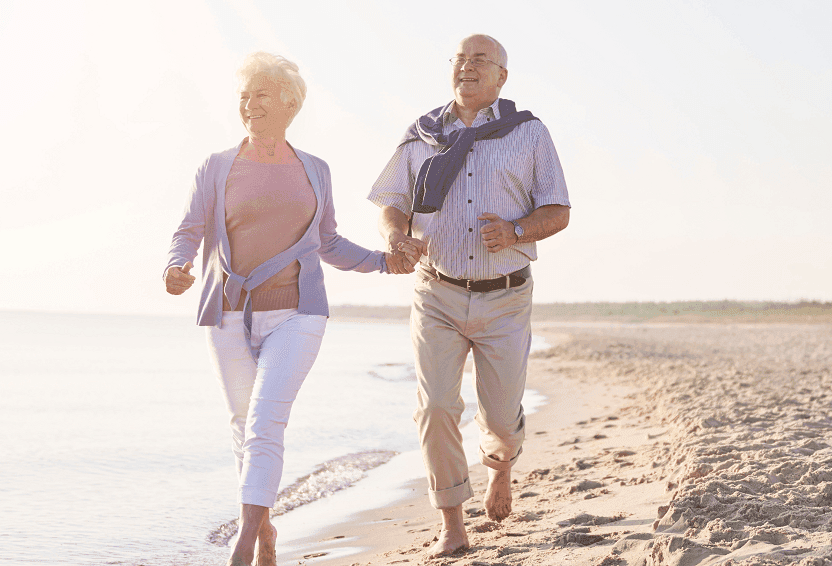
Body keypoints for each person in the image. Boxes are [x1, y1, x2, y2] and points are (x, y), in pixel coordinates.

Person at [164, 52, 410, 566]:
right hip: (227, 314)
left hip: (299, 314)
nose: (248, 105)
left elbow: (330, 243)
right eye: (243, 96)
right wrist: (176, 267)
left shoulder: (315, 170)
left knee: (264, 423)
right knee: (242, 424)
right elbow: (189, 230)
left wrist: (384, 263)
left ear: (288, 104)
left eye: (260, 95)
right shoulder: (216, 166)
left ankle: (243, 543)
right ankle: (265, 526)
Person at [368, 34, 571, 556]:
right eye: (460, 58)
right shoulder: (422, 134)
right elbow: (391, 199)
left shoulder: (527, 133)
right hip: (436, 291)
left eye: (481, 60)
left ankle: (500, 467)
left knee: (501, 419)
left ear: (502, 77)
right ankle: (452, 525)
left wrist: (517, 231)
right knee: (435, 406)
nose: (468, 66)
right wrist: (395, 237)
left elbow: (558, 210)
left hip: (505, 296)